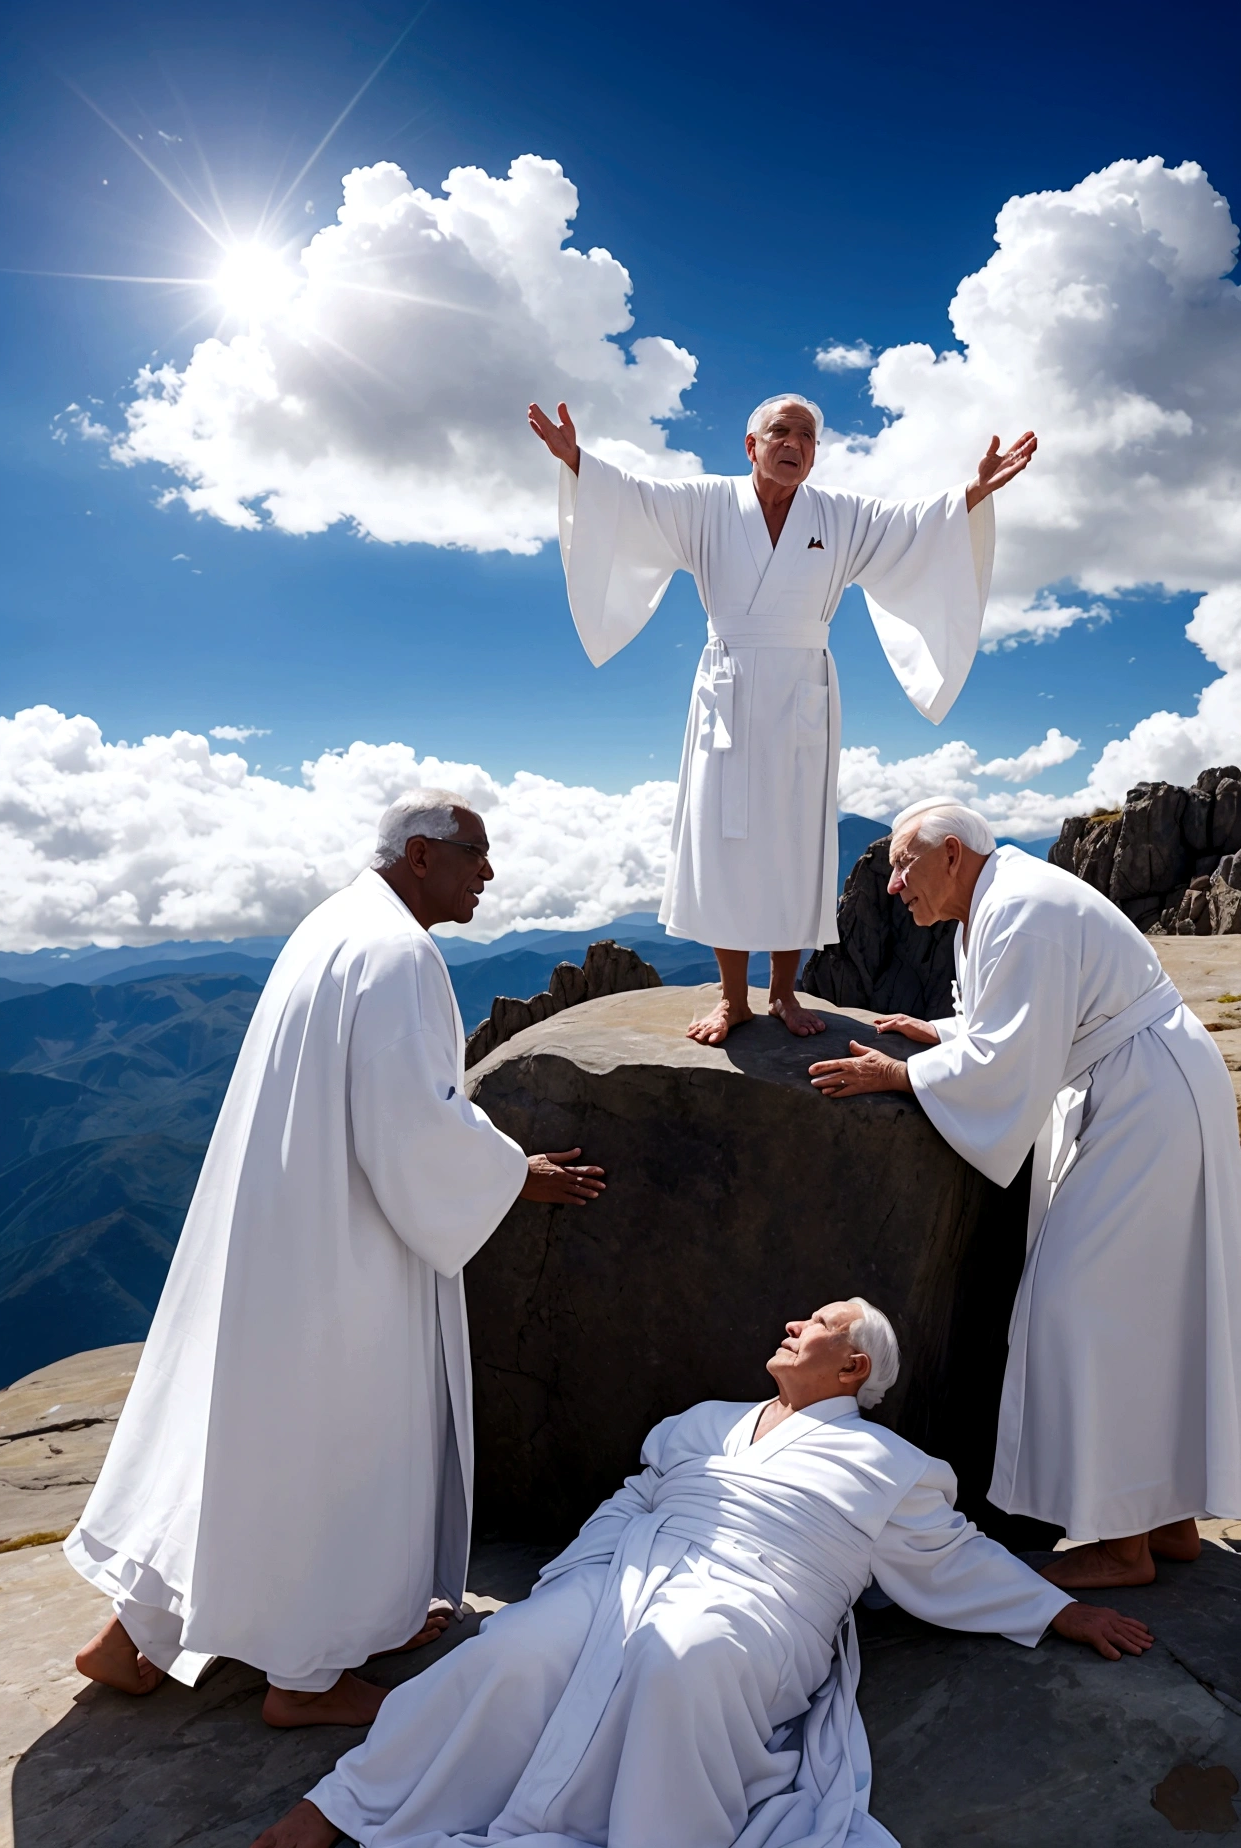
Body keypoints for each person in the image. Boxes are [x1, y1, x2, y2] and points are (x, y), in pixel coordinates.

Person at [66, 791, 606, 1727]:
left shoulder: (332, 925)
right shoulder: (399, 954)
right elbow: (412, 1125)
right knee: (343, 1442)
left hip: (280, 1225)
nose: (489, 872)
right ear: (424, 854)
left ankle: (132, 1639)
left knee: (245, 1434)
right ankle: (306, 1677)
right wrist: (515, 1174)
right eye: (476, 853)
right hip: (345, 1252)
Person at [251, 1298, 1150, 1848]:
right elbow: (633, 1497)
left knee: (681, 1659)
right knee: (512, 1650)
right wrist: (575, 1578)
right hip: (630, 1572)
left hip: (764, 1599)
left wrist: (1061, 1612)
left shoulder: (893, 1465)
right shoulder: (703, 1420)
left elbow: (952, 1557)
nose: (791, 1325)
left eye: (816, 1323)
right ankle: (349, 1804)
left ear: (854, 1364)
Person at [808, 799, 1241, 1589]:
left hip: (1146, 1100)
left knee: (1081, 1306)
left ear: (951, 855)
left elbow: (1010, 1057)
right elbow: (1010, 1021)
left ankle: (1121, 1545)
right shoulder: (998, 901)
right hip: (1141, 1090)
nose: (895, 885)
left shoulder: (1020, 907)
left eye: (906, 865)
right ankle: (1168, 1519)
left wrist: (900, 1073)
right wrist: (942, 1032)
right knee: (1145, 1306)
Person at [529, 394, 1035, 1046]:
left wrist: (971, 491)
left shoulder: (840, 515)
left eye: (808, 435)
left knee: (795, 839)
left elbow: (912, 527)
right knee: (724, 836)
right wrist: (577, 460)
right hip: (729, 687)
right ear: (752, 444)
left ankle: (784, 992)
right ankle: (733, 998)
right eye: (781, 431)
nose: (795, 442)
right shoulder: (707, 504)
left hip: (802, 689)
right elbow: (635, 502)